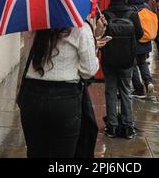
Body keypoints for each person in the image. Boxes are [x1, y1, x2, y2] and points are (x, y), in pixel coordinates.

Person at [19, 23, 99, 158]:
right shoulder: (80, 28)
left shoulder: (30, 25)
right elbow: (88, 71)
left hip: (31, 97)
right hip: (64, 100)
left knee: (35, 150)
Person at [100, 0, 144, 140]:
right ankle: (128, 127)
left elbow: (99, 36)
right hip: (127, 61)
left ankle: (112, 127)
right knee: (126, 91)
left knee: (110, 92)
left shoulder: (106, 14)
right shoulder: (132, 14)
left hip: (109, 60)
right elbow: (140, 35)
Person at [128, 0, 155, 98]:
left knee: (133, 65)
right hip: (146, 41)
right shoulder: (146, 7)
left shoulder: (131, 9)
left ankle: (139, 89)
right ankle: (149, 82)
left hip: (135, 42)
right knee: (143, 63)